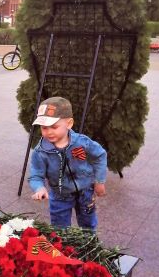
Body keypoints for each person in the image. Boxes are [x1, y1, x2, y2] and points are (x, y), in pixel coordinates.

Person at [28, 97, 107, 231]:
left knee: (88, 226)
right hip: (60, 196)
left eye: (54, 127)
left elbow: (100, 155)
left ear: (69, 123)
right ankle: (63, 243)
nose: (49, 132)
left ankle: (89, 241)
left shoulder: (82, 142)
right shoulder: (40, 152)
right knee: (60, 229)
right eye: (44, 128)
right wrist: (39, 188)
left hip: (85, 192)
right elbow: (35, 176)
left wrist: (99, 181)